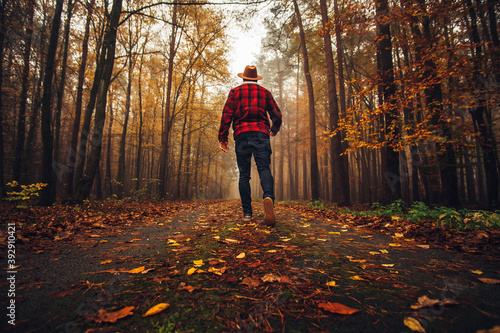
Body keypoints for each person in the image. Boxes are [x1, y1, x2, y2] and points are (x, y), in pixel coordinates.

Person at [218, 65, 282, 226]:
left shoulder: (235, 92)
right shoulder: (265, 93)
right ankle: (268, 198)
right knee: (264, 169)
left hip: (241, 135)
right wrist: (274, 129)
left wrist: (223, 138)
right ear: (256, 79)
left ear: (243, 78)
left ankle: (247, 213)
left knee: (244, 175)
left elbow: (227, 115)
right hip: (261, 134)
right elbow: (277, 114)